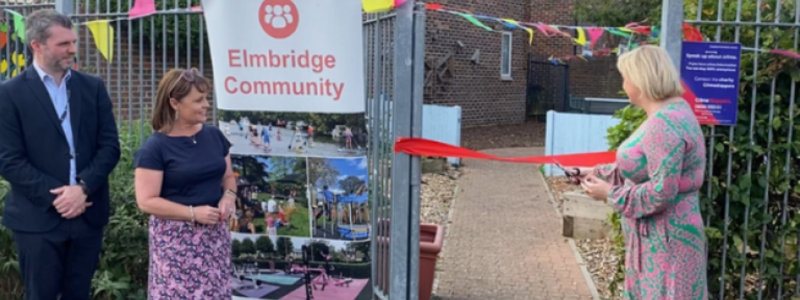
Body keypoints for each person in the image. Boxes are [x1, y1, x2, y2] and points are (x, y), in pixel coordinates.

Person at [567, 45, 707, 299]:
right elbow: (644, 166)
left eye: (625, 77)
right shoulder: (673, 112)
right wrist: (595, 172)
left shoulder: (664, 124)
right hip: (663, 239)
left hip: (665, 243)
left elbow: (661, 192)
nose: (623, 85)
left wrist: (610, 193)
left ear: (641, 81)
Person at [0, 9, 121, 300]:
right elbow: (8, 159)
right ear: (37, 46)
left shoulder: (92, 88)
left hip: (87, 212)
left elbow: (110, 147)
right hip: (37, 217)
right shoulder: (9, 94)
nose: (72, 49)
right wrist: (58, 197)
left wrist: (82, 188)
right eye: (63, 44)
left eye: (73, 42)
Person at [133, 68, 236, 299]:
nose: (206, 105)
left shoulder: (215, 136)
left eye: (206, 98)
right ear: (175, 103)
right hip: (175, 243)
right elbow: (146, 201)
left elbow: (228, 177)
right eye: (198, 100)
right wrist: (192, 213)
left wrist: (229, 196)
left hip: (214, 237)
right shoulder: (155, 148)